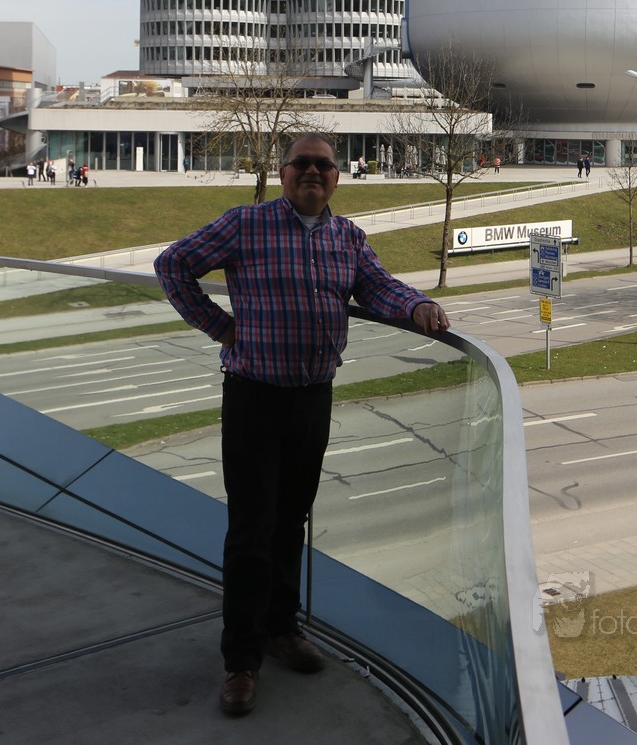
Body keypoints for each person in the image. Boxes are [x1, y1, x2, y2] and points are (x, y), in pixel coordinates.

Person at [154, 133, 449, 719]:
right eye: (302, 164)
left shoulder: (348, 238)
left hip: (312, 399)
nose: (313, 172)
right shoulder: (246, 224)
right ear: (284, 172)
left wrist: (416, 305)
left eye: (324, 165)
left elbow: (379, 287)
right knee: (251, 530)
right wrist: (219, 326)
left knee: (291, 522)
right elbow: (173, 265)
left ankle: (281, 629)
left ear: (337, 177)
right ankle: (241, 661)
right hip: (254, 399)